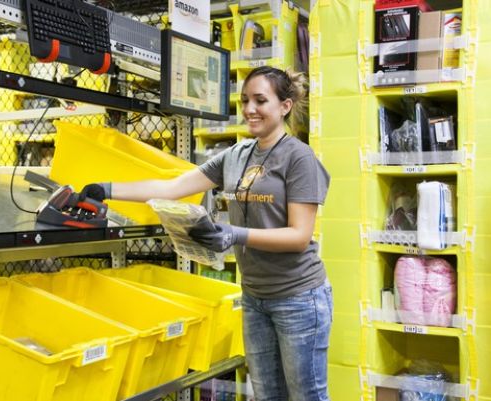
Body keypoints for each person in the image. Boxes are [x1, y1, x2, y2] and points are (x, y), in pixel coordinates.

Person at [79, 66, 332, 401]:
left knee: (307, 395)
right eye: (245, 100)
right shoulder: (236, 156)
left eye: (260, 100)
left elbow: (299, 236)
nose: (249, 109)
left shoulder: (299, 158)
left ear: (285, 106)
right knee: (268, 395)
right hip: (255, 296)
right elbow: (172, 188)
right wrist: (108, 189)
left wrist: (234, 234)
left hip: (298, 297)